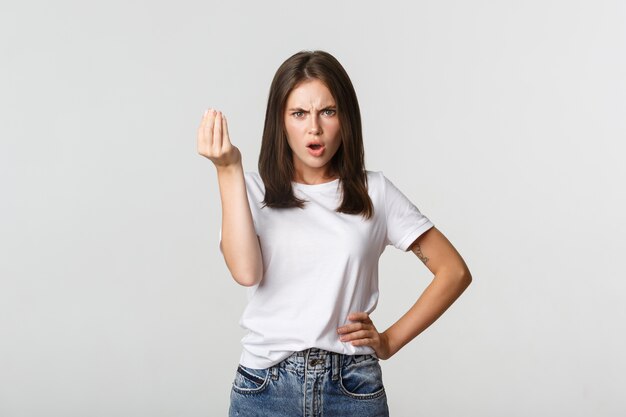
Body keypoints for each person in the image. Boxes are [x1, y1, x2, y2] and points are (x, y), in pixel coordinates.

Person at [197, 50, 472, 417]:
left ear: (346, 118)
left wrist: (389, 340)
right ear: (280, 122)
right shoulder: (251, 190)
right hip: (265, 388)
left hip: (352, 387)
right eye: (299, 114)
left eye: (327, 111)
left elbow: (454, 271)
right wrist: (228, 169)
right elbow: (246, 273)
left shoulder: (375, 192)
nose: (314, 128)